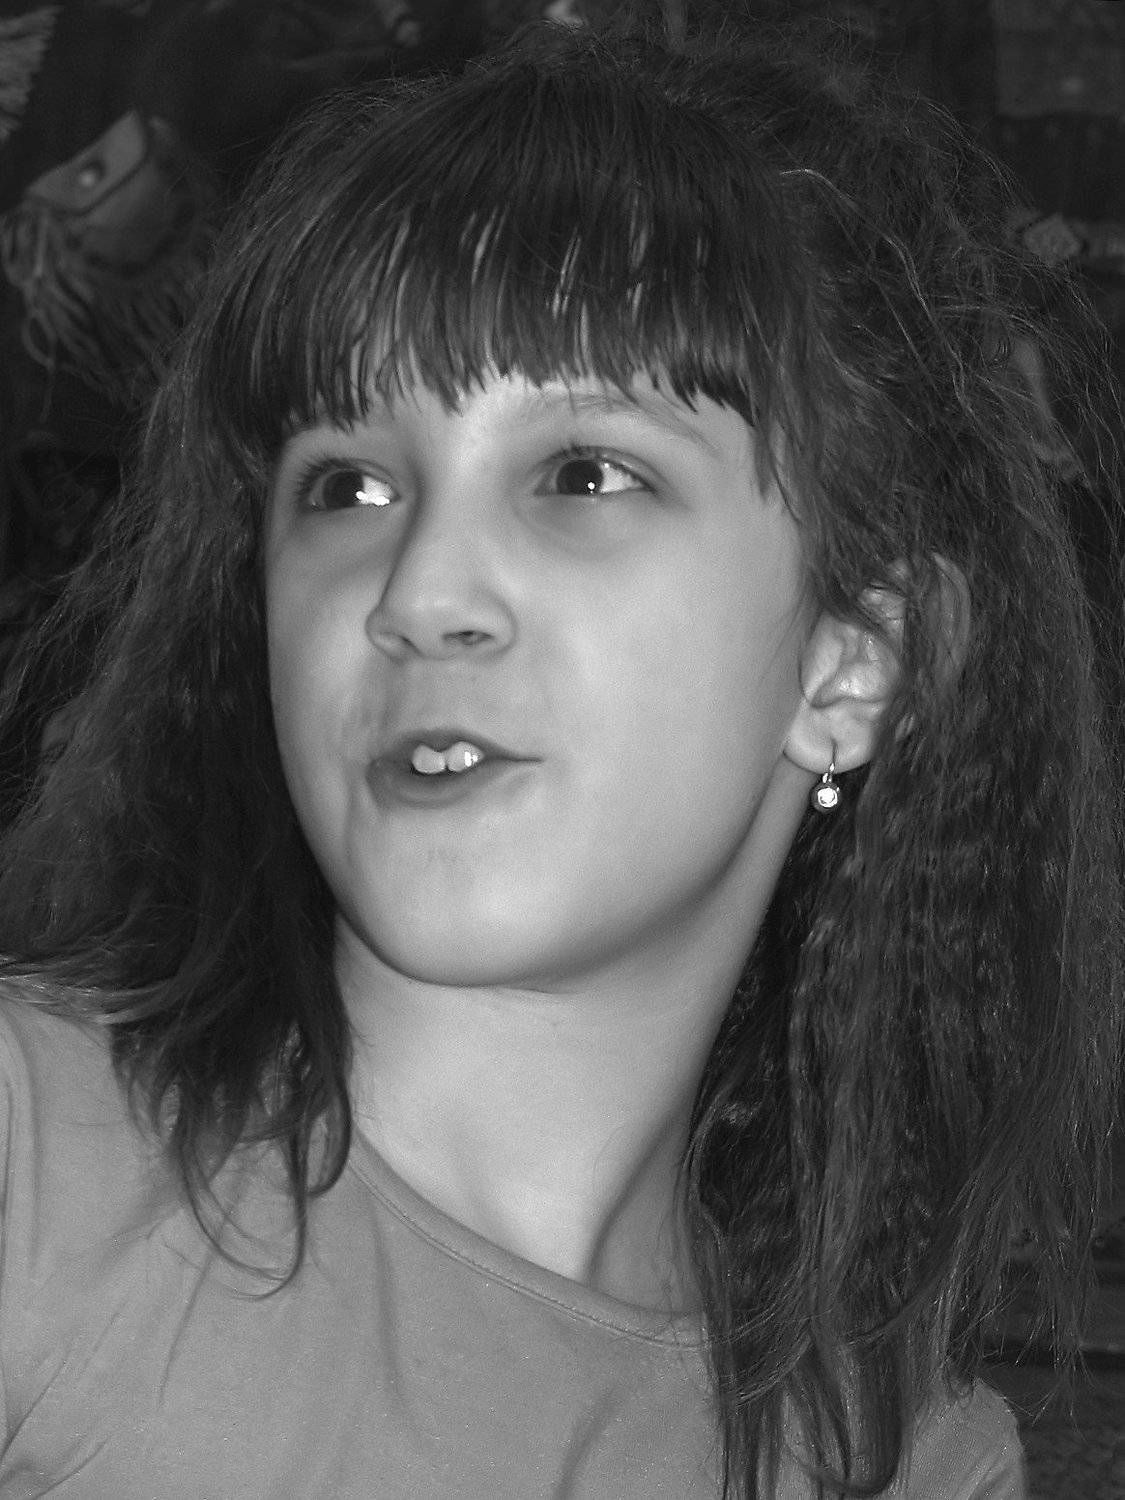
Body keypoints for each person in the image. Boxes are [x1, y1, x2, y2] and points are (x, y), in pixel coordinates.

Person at [0, 13, 1120, 1498]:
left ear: (853, 664)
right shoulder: (31, 1172)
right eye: (345, 487)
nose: (417, 594)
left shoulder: (902, 1465)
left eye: (584, 473)